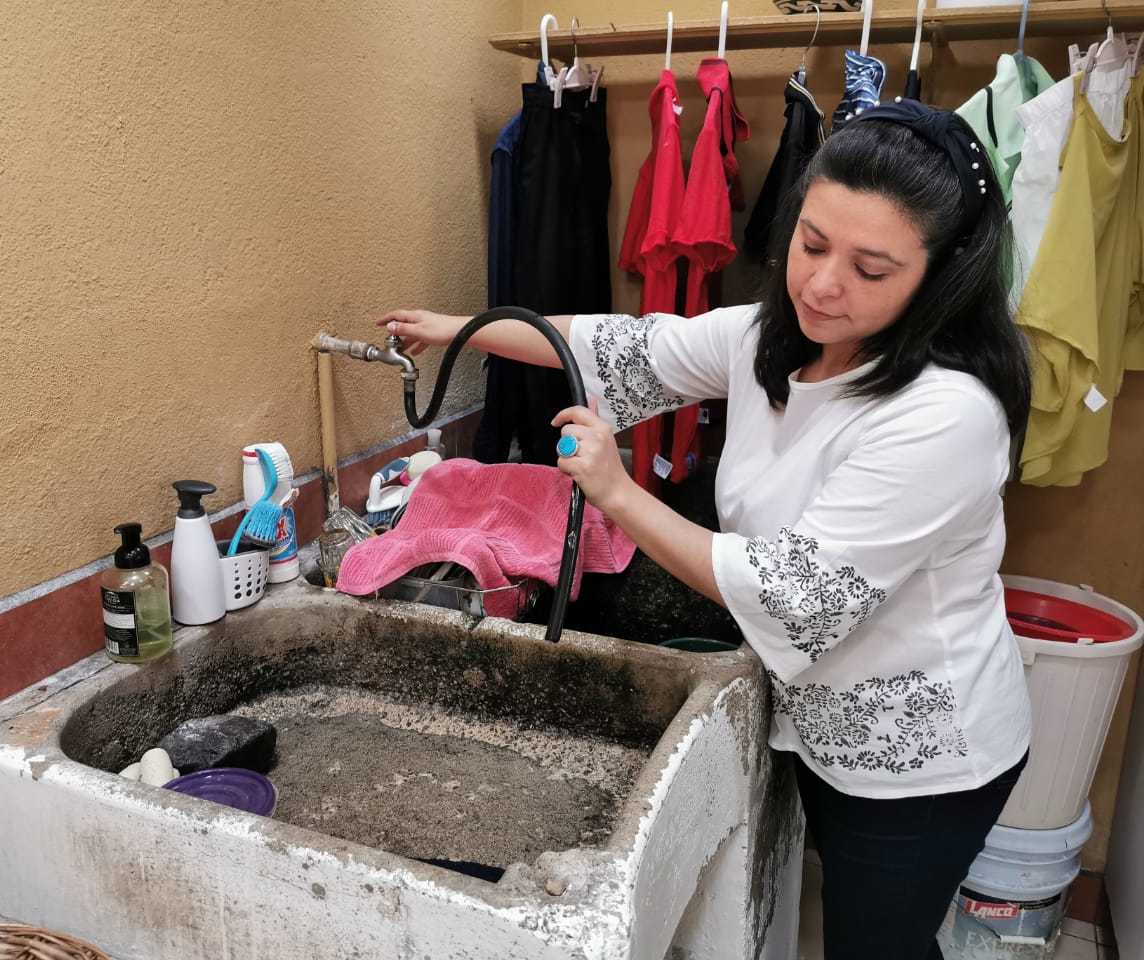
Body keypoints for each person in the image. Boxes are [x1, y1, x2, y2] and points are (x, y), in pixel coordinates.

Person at [378, 99, 1032, 960]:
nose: (824, 284)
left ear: (942, 273)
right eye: (811, 242)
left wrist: (617, 492)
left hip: (923, 755)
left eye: (871, 269)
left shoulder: (945, 413)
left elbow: (791, 594)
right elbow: (625, 344)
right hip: (825, 716)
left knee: (882, 946)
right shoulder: (774, 337)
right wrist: (464, 331)